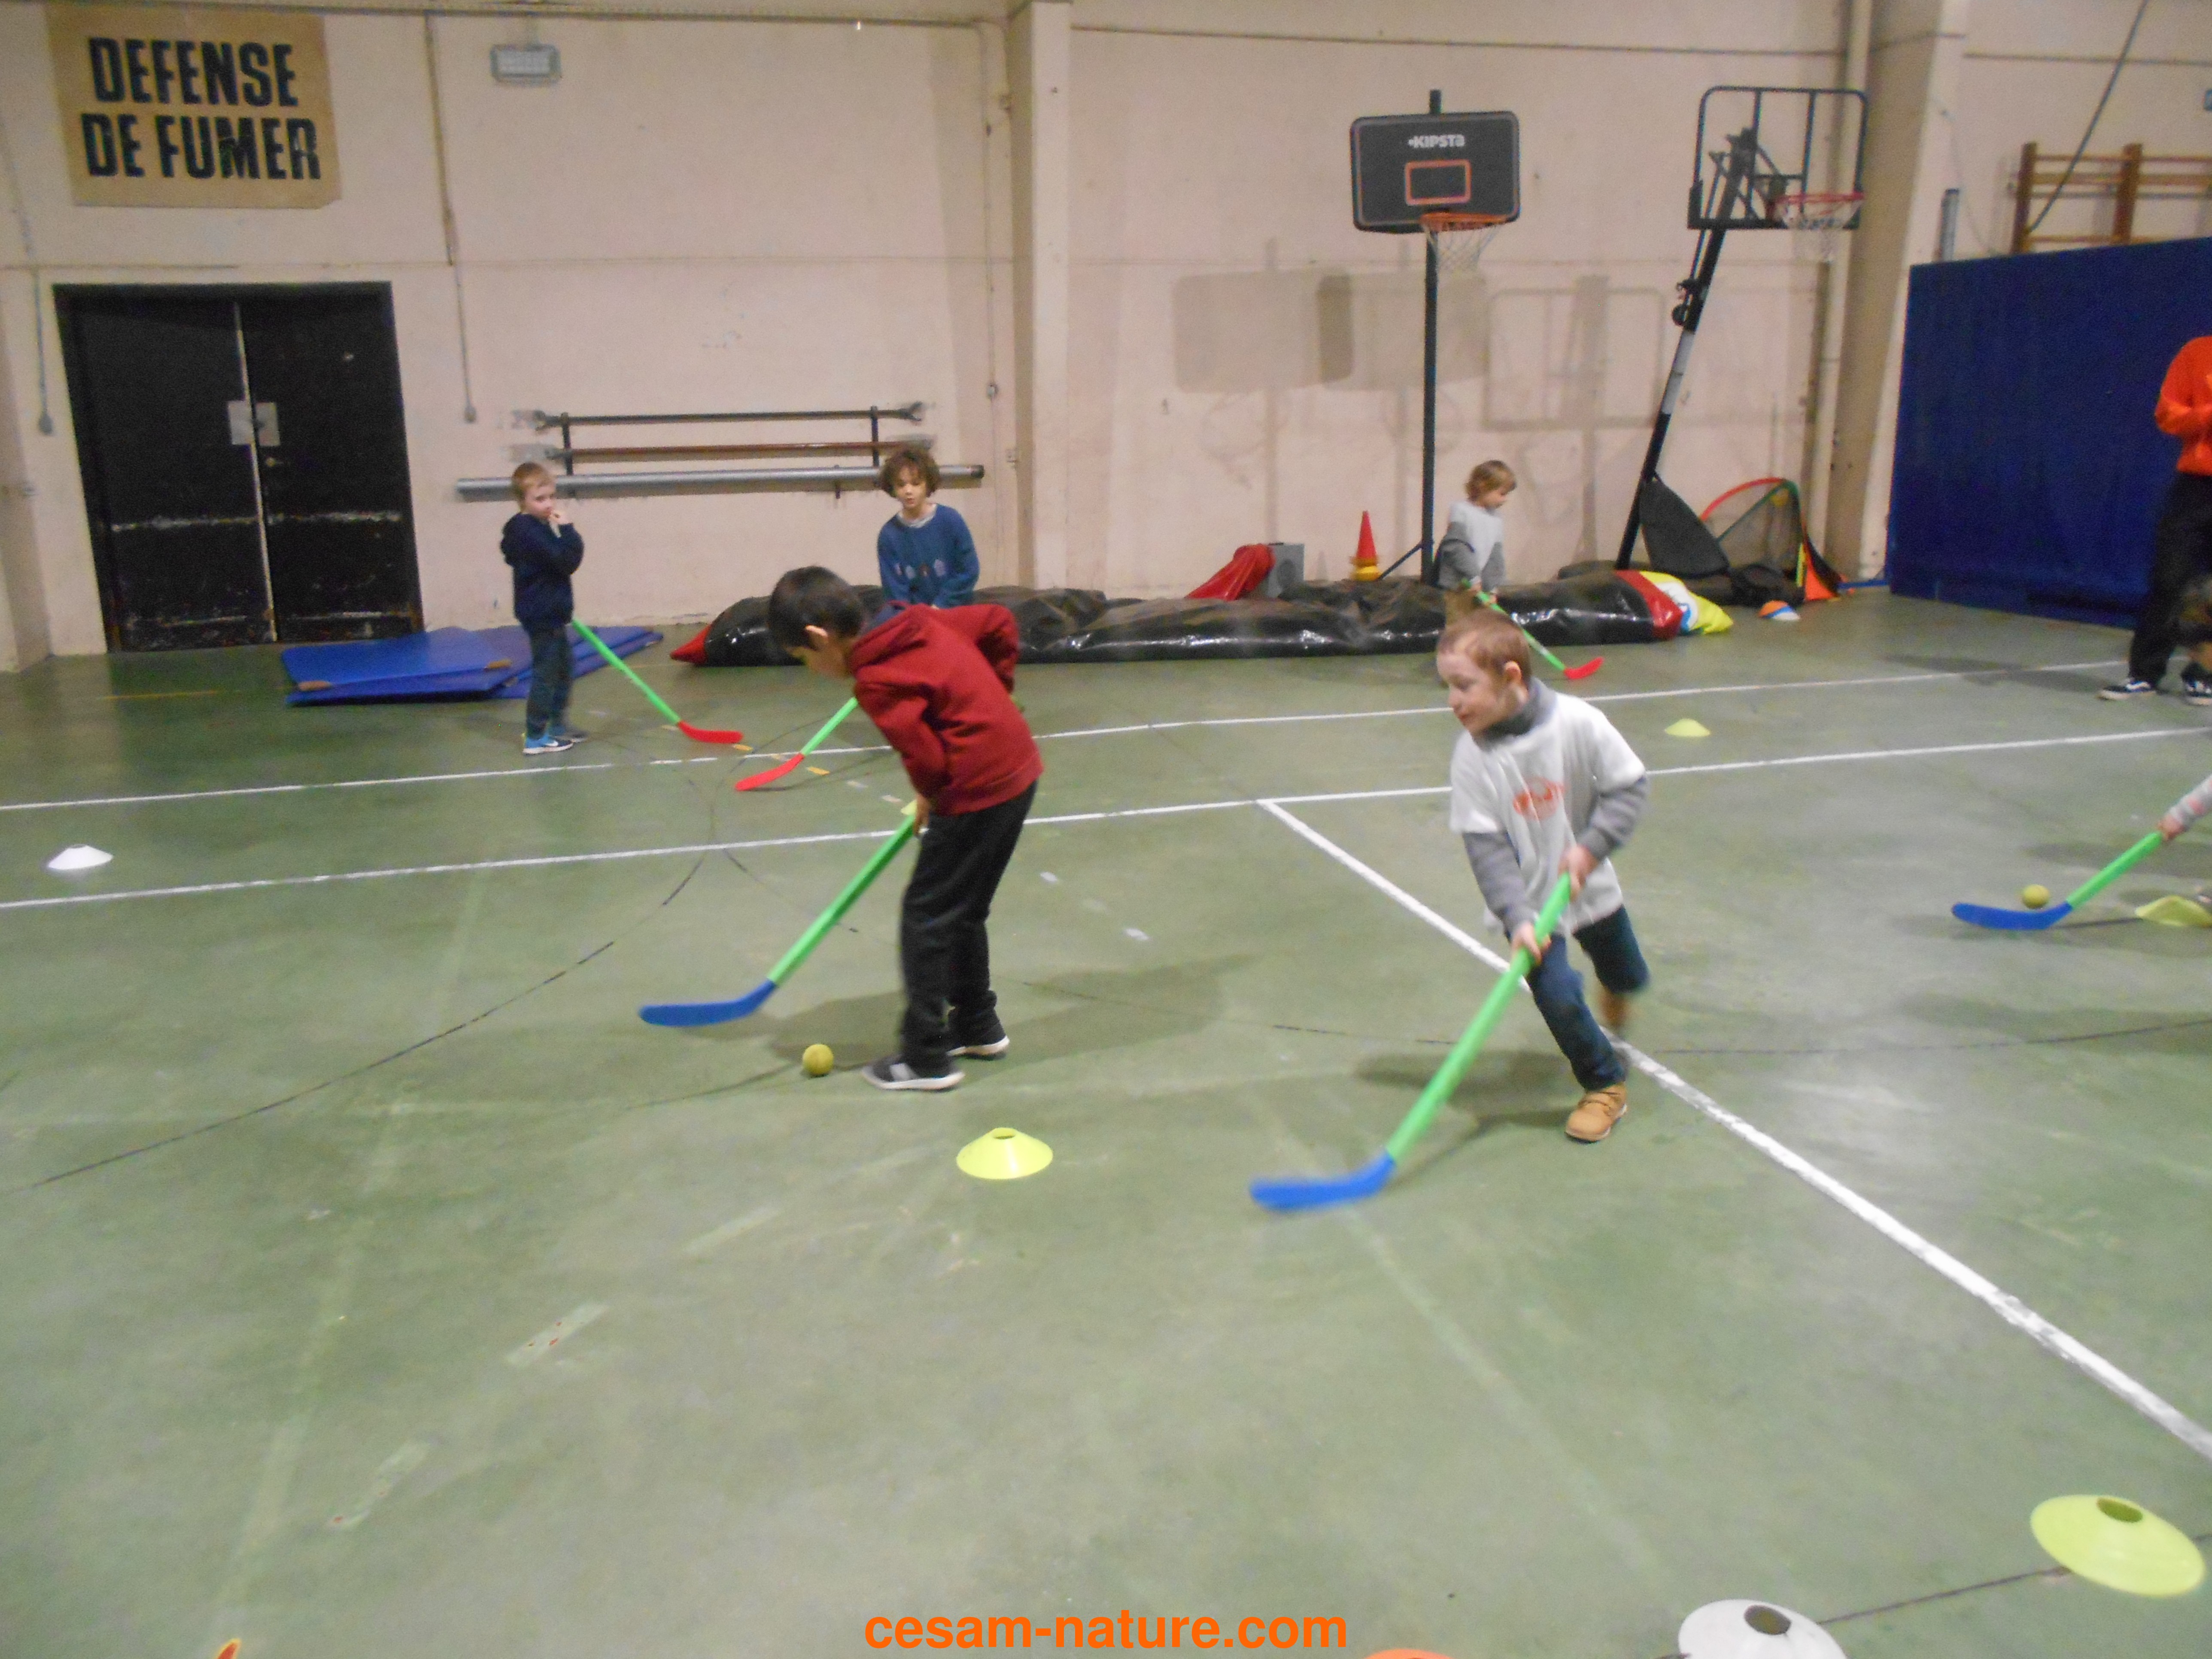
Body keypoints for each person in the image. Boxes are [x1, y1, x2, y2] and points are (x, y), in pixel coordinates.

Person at [767, 566, 1041, 1092]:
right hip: (1017, 771)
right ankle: (977, 1025)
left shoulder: (876, 679)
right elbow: (998, 622)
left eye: (802, 658)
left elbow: (928, 758)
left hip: (975, 789)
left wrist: (928, 795)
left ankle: (925, 1057)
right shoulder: (917, 621)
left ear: (820, 637)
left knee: (927, 917)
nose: (810, 670)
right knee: (963, 910)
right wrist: (998, 695)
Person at [1439, 607, 1650, 1143]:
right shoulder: (1471, 758)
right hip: (1532, 904)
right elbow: (1486, 847)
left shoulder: (1578, 723)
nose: (1452, 702)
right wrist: (1516, 916)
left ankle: (1617, 989)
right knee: (1556, 994)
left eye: (1463, 686)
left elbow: (1628, 789)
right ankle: (1604, 1084)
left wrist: (1590, 850)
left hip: (1590, 883)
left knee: (1627, 974)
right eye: (1448, 687)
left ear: (1510, 677)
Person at [2101, 334, 2212, 703]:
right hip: (2196, 487)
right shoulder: (2197, 352)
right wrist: (2207, 415)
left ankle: (2204, 675)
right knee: (2169, 579)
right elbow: (2169, 416)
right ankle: (2144, 674)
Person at [501, 462, 586, 755]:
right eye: (540, 499)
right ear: (522, 501)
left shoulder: (533, 527)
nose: (548, 504)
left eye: (551, 496)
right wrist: (568, 530)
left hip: (550, 611)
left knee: (564, 668)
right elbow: (567, 561)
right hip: (542, 613)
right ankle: (536, 736)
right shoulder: (529, 532)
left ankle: (557, 725)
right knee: (546, 674)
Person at [875, 446, 978, 608]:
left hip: (956, 612)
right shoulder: (889, 535)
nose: (908, 491)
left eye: (916, 484)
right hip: (914, 618)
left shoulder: (951, 520)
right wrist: (916, 617)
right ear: (893, 488)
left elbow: (969, 571)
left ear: (928, 484)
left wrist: (941, 606)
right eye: (901, 485)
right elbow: (894, 590)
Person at [1437, 459, 1515, 595]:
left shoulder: (1496, 519)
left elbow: (1495, 556)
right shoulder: (1462, 511)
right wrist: (1473, 577)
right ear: (1483, 487)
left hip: (1477, 587)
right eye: (1502, 494)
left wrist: (1492, 589)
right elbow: (1455, 546)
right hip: (1456, 586)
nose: (1505, 500)